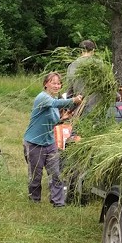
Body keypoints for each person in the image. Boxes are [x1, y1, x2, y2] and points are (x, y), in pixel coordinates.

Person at [23, 72, 82, 207]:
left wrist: (62, 119)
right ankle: (34, 200)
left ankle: (58, 202)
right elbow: (55, 103)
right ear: (45, 84)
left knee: (56, 173)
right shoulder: (42, 98)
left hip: (50, 143)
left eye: (58, 83)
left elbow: (52, 120)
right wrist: (73, 100)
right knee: (35, 176)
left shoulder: (54, 103)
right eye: (53, 82)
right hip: (34, 143)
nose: (56, 86)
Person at [66, 40, 99, 115]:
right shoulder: (99, 64)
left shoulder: (72, 66)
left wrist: (70, 108)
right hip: (97, 107)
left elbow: (70, 89)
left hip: (79, 108)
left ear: (80, 51)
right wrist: (117, 97)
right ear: (93, 51)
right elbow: (108, 85)